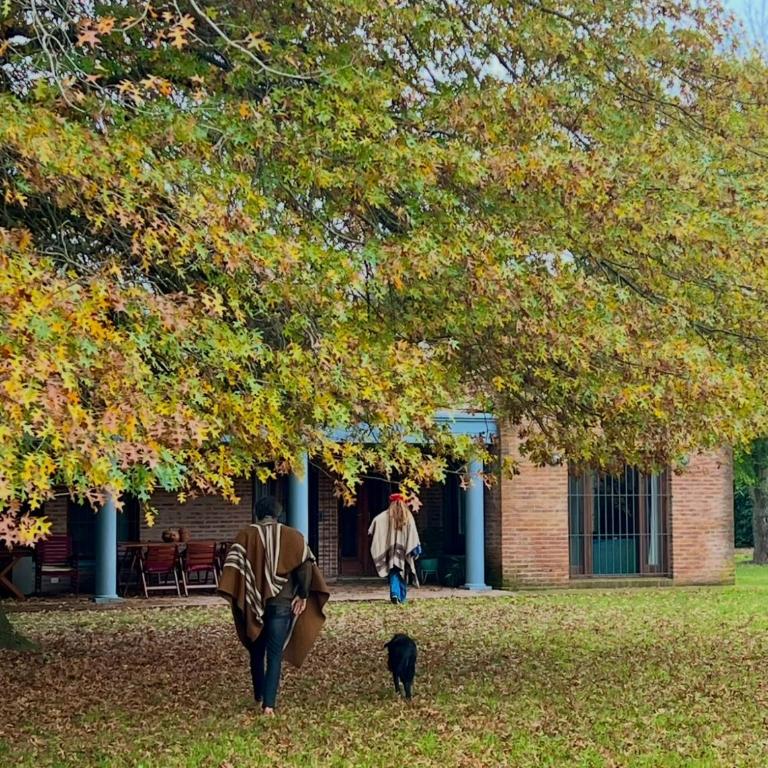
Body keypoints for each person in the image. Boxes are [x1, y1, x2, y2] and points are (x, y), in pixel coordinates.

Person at [218, 496, 330, 715]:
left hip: (252, 603)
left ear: (257, 513)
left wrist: (242, 597)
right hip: (282, 603)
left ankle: (258, 695)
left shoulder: (245, 536)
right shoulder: (294, 536)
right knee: (275, 653)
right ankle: (269, 705)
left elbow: (233, 569)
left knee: (256, 650)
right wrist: (303, 594)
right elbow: (305, 566)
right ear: (279, 514)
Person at [368, 492, 422, 604]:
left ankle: (397, 595)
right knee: (402, 572)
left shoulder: (384, 516)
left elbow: (374, 524)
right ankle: (398, 595)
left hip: (391, 551)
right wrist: (415, 548)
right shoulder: (408, 517)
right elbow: (413, 534)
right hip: (404, 551)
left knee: (394, 571)